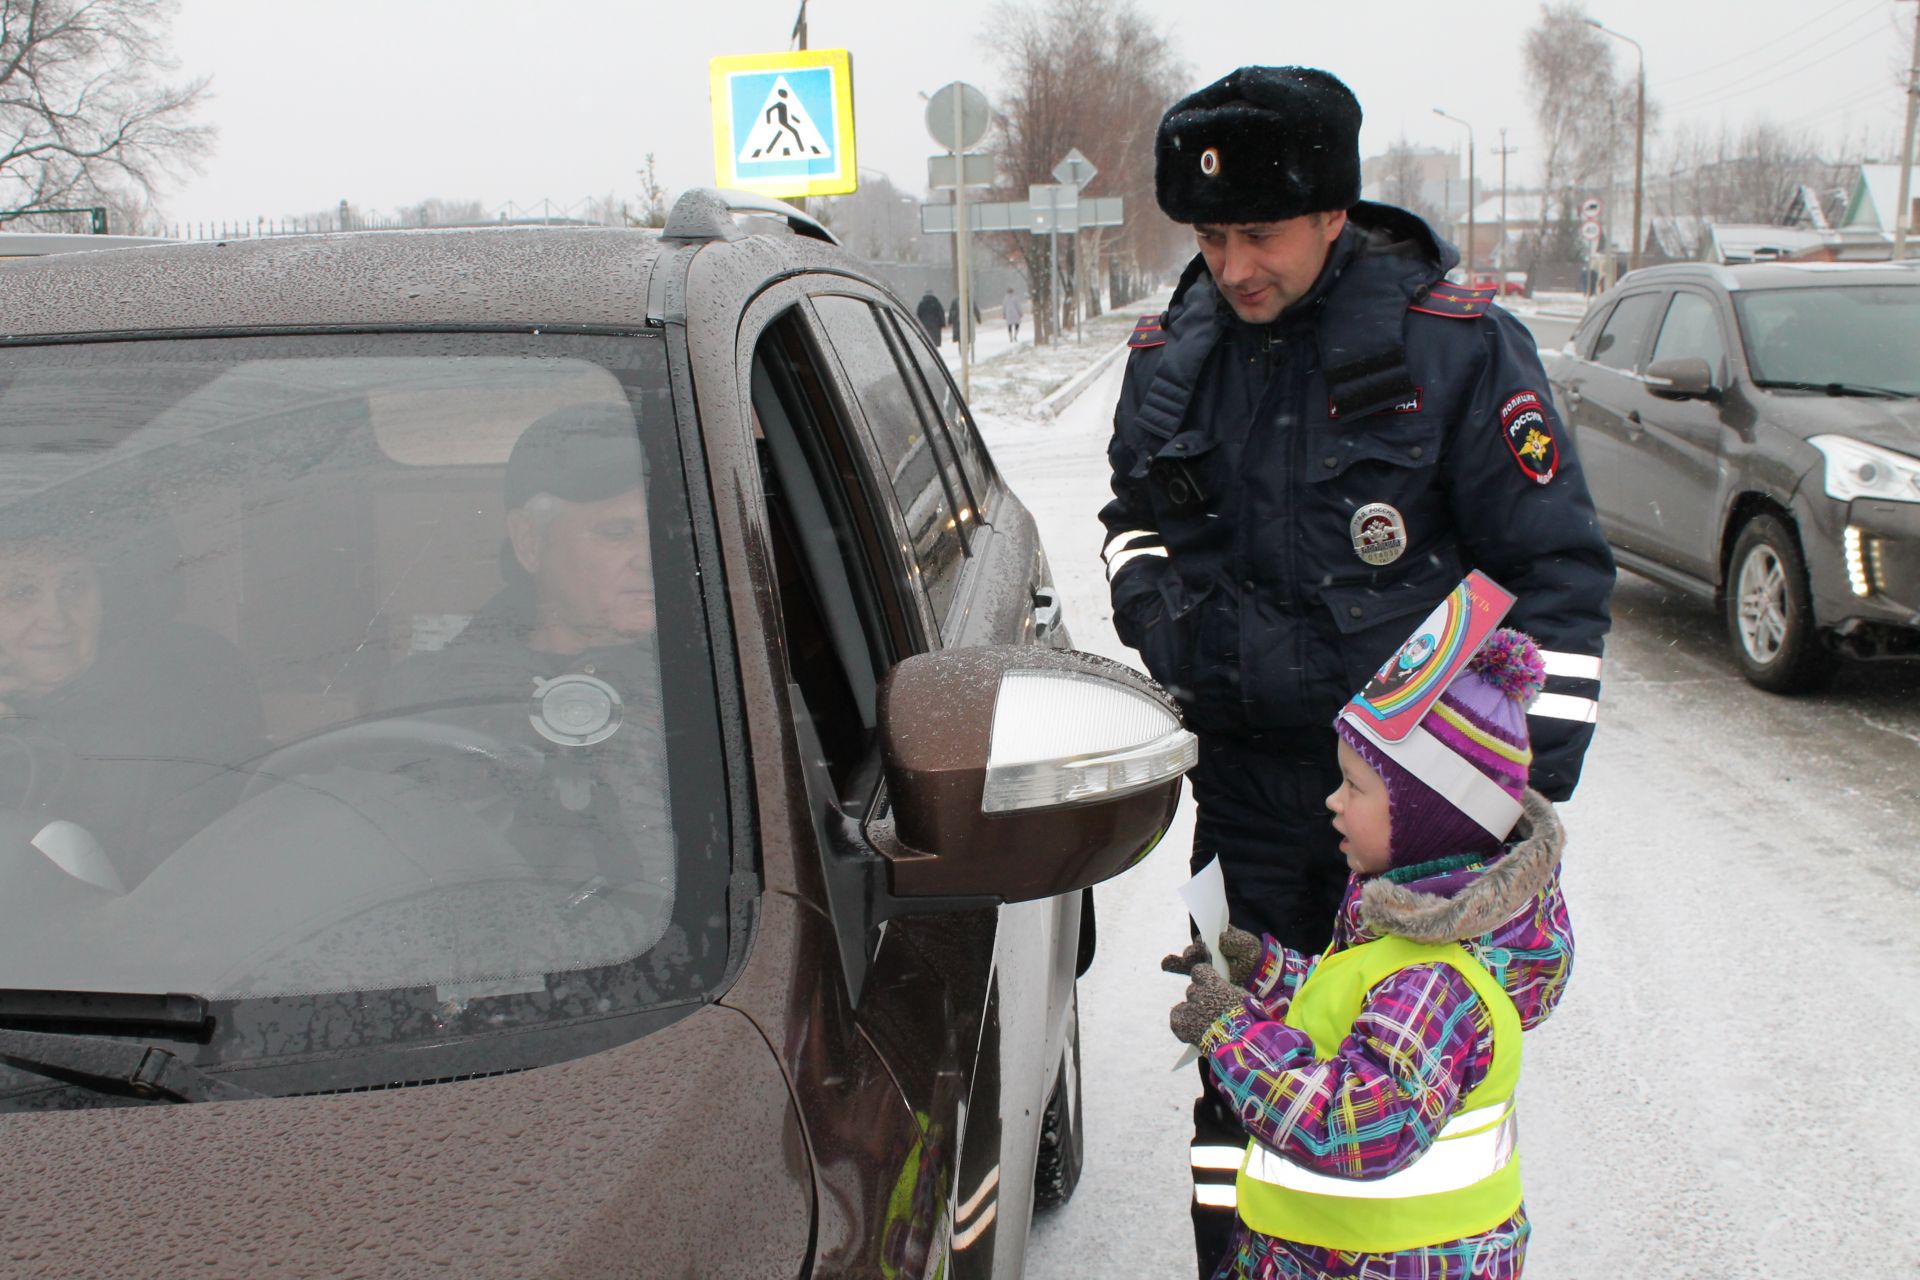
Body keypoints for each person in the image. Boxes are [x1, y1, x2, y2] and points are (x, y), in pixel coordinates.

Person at [1096, 66, 1612, 1271]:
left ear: (1333, 212)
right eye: (1211, 236)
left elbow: (1560, 574)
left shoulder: (1456, 352)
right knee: (1240, 1064)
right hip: (1251, 794)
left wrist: (1508, 801)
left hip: (1415, 816)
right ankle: (1239, 1256)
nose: (1232, 267)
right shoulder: (1173, 357)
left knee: (1408, 1076)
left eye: (1258, 234)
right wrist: (1153, 607)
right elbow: (1132, 515)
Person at [1165, 625, 1572, 1280]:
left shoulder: (1437, 977)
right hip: (1341, 1254)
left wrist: (1231, 1035)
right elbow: (1359, 1016)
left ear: (1426, 817)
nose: (1332, 801)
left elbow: (1355, 1123)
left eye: (1354, 786)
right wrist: (1265, 975)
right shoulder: (1407, 925)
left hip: (1374, 1262)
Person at [377, 402, 670, 891]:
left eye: (664, 534)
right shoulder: (426, 699)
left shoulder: (719, 684)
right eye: (616, 533)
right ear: (530, 540)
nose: (649, 560)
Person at [0, 524, 266, 888]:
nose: (55, 618)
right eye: (20, 592)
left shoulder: (182, 685)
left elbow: (186, 879)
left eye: (74, 587)